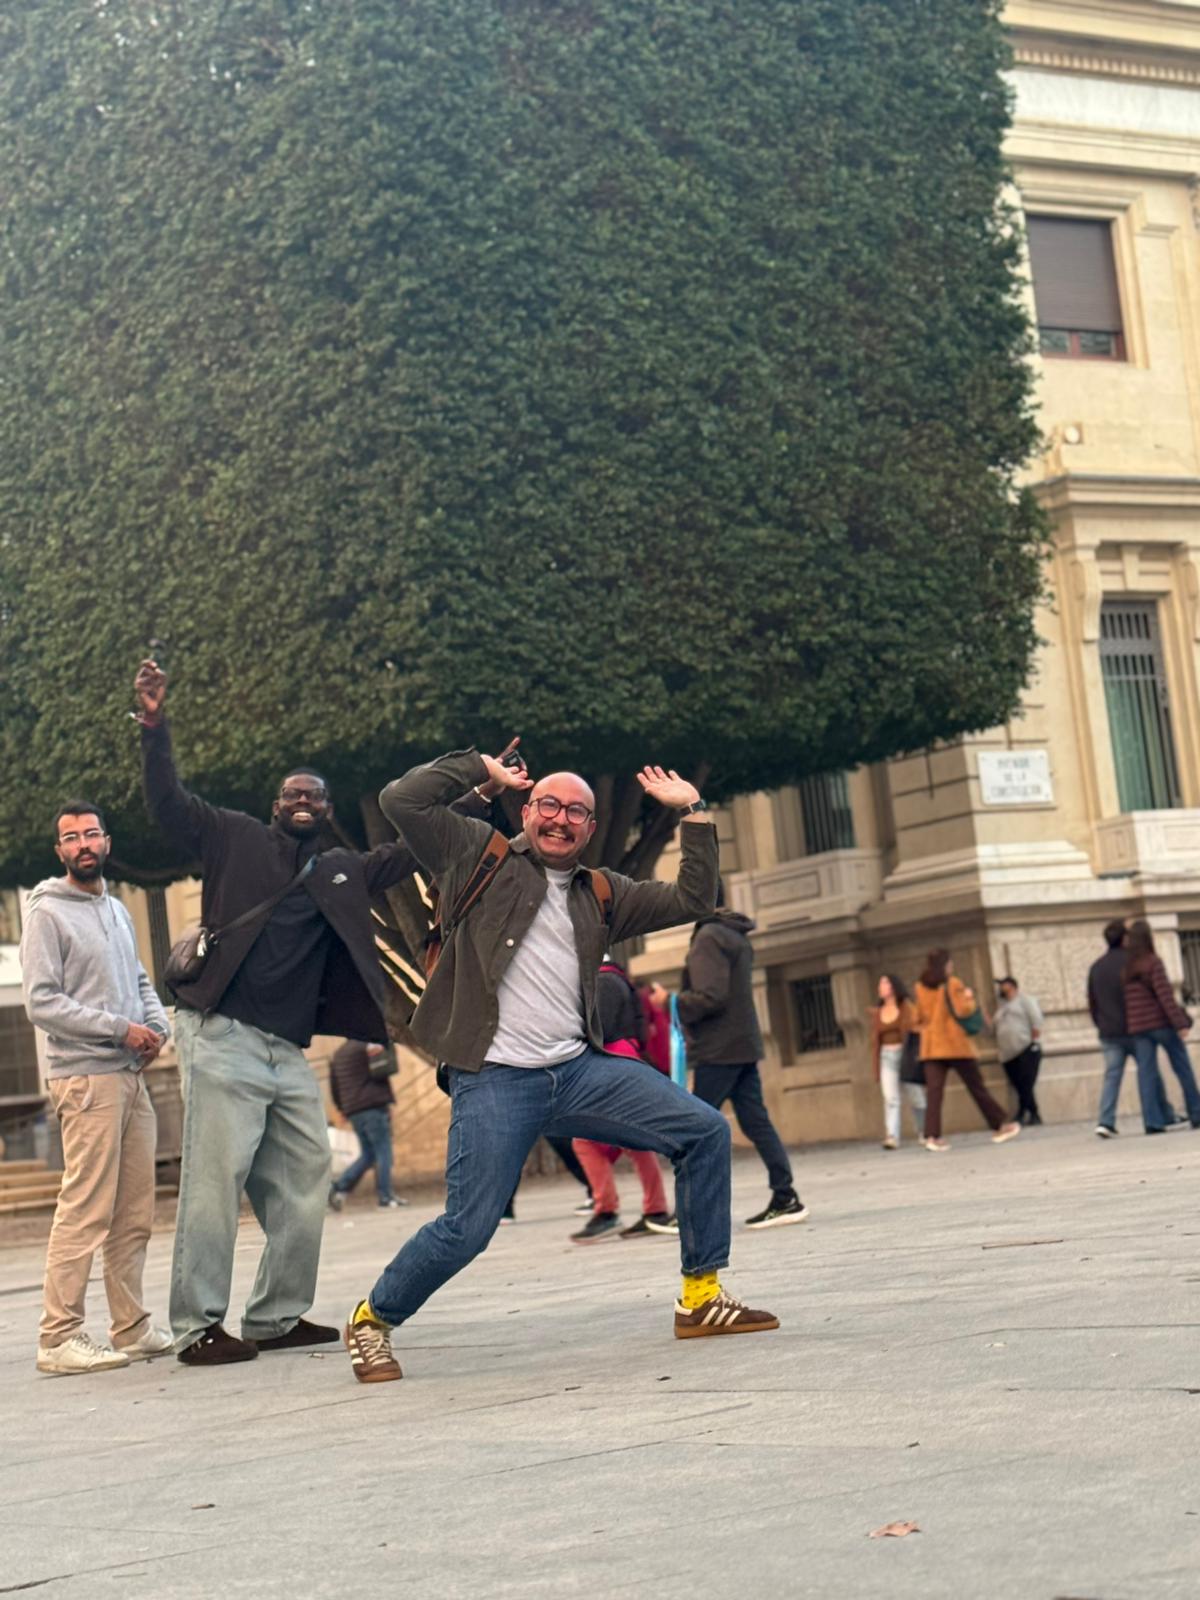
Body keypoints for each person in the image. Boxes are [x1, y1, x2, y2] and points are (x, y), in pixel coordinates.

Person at [342, 750, 779, 1384]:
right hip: (495, 1078)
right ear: (527, 811)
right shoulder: (475, 854)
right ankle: (371, 1319)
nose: (561, 819)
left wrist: (692, 811)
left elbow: (694, 896)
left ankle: (700, 1298)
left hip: (577, 1072)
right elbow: (399, 800)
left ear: (590, 828)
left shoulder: (602, 893)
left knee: (704, 1131)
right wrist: (480, 770)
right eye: (549, 805)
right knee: (468, 1227)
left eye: (577, 812)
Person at [133, 657, 496, 1367]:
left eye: (315, 795)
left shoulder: (340, 869)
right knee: (215, 1183)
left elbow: (415, 848)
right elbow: (168, 802)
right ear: (276, 804)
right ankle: (198, 1325)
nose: (303, 800)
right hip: (222, 1035)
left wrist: (479, 796)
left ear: (326, 811)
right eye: (292, 793)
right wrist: (153, 724)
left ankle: (274, 1316)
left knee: (308, 1174)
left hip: (286, 1050)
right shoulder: (232, 836)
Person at [20, 801, 173, 1375]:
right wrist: (119, 1029)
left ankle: (131, 1327)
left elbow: (138, 978)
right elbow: (42, 1002)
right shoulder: (47, 914)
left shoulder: (115, 909)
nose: (83, 844)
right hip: (85, 1079)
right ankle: (58, 1337)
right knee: (85, 1210)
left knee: (134, 1212)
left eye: (91, 834)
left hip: (130, 1075)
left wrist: (156, 1027)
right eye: (71, 837)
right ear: (59, 850)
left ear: (106, 841)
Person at [675, 886, 807, 1228]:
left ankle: (689, 1210)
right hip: (741, 1043)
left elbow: (710, 996)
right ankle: (785, 1196)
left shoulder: (708, 937)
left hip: (718, 1048)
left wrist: (672, 1002)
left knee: (693, 1128)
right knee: (755, 1121)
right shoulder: (734, 933)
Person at [570, 956, 673, 1242]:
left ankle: (608, 1211)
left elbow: (596, 1030)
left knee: (585, 1140)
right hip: (624, 1060)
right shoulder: (617, 979)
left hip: (609, 1065)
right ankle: (653, 1209)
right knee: (632, 1139)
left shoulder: (602, 981)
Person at [913, 949, 1020, 1152]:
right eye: (949, 963)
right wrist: (969, 997)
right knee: (977, 1086)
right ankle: (999, 1125)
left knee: (934, 1093)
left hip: (932, 1047)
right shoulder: (953, 983)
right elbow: (963, 1010)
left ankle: (932, 1136)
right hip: (955, 1044)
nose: (951, 967)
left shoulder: (920, 987)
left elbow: (917, 1017)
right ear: (944, 965)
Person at [1087, 919, 1172, 1137]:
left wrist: (1101, 1023)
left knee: (1112, 1077)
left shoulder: (1096, 967)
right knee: (1149, 1071)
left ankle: (1105, 1120)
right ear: (1124, 938)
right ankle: (1164, 1113)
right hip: (1134, 1028)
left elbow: (1092, 1002)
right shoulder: (1132, 963)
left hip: (1108, 1031)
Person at [1122, 920, 1200, 1133]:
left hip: (1139, 1027)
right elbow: (1165, 997)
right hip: (1160, 1024)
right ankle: (1196, 1112)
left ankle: (1152, 1121)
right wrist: (1180, 1024)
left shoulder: (1127, 968)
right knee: (1182, 1067)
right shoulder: (1153, 962)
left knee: (1146, 1074)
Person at [327, 1040, 407, 1209]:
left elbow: (334, 1086)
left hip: (353, 1111)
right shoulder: (368, 1047)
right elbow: (384, 1069)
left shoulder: (339, 1054)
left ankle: (338, 1186)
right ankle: (386, 1197)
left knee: (369, 1154)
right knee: (383, 1152)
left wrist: (342, 1109)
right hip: (373, 1106)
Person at [870, 975, 924, 1149]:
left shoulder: (906, 1007)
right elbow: (875, 1040)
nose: (881, 986)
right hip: (887, 1056)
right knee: (890, 1098)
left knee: (916, 1096)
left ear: (893, 986)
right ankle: (892, 1136)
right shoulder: (878, 1012)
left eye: (884, 983)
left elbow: (917, 1026)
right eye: (880, 983)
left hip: (905, 1054)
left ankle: (924, 1131)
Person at [992, 976, 1043, 1125]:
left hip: (1025, 1048)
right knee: (1019, 1084)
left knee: (1026, 1082)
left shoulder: (1024, 1000)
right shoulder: (1002, 1007)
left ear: (1012, 986)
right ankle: (1033, 1113)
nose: (1001, 988)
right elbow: (994, 1026)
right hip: (1007, 1053)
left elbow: (1036, 1019)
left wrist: (1034, 1040)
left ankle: (1022, 1113)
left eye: (1003, 985)